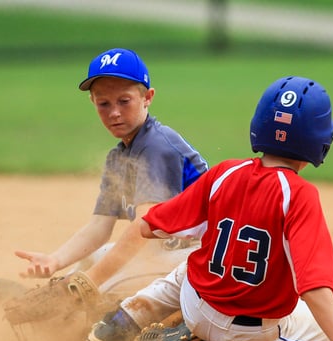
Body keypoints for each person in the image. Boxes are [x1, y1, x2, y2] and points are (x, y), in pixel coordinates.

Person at [86, 76, 333, 341]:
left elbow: (150, 226)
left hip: (195, 308)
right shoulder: (300, 195)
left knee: (189, 269)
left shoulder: (225, 172)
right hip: (245, 340)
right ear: (320, 138)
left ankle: (121, 320)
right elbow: (313, 287)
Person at [14, 48, 208, 297]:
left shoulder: (156, 146)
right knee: (95, 259)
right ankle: (50, 303)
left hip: (205, 255)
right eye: (104, 103)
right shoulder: (119, 157)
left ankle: (64, 317)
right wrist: (55, 260)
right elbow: (99, 226)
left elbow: (143, 226)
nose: (114, 112)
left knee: (107, 284)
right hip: (170, 250)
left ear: (147, 97)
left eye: (124, 101)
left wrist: (88, 283)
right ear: (93, 103)